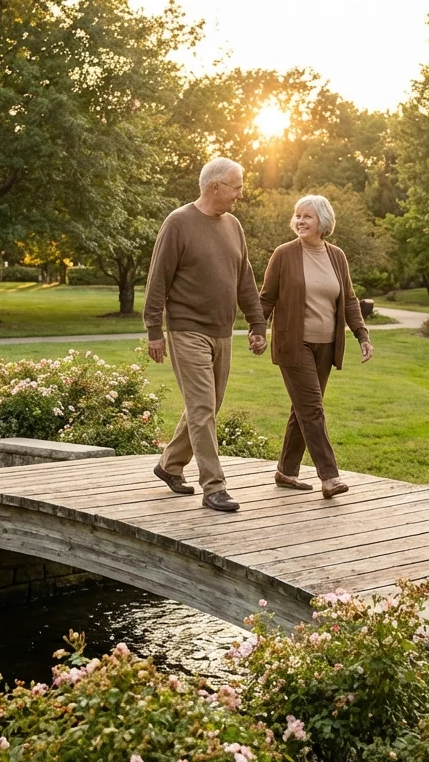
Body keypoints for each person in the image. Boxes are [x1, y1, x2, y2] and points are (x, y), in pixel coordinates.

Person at [144, 157, 268, 513]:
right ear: (216, 186)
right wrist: (155, 329)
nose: (240, 194)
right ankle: (214, 486)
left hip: (222, 331)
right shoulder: (178, 223)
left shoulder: (234, 226)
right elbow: (158, 280)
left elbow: (245, 280)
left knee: (208, 407)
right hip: (186, 329)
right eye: (237, 187)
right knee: (201, 408)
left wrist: (257, 324)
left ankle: (168, 465)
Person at [258, 194, 372, 499]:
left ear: (323, 222)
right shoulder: (284, 254)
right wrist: (257, 329)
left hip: (326, 346)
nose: (299, 221)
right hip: (294, 345)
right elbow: (266, 297)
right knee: (313, 409)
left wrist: (362, 334)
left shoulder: (337, 256)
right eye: (297, 215)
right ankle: (330, 476)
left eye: (307, 216)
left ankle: (286, 471)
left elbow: (348, 299)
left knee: (303, 409)